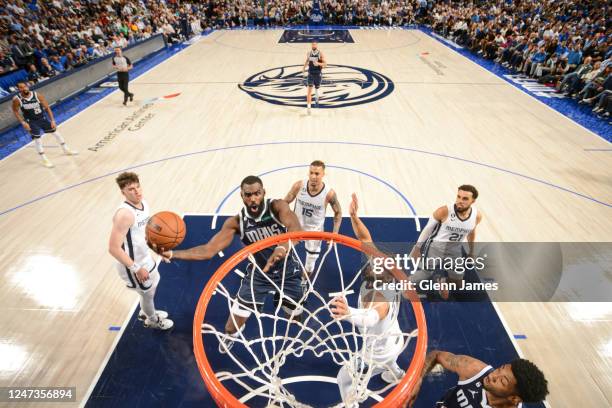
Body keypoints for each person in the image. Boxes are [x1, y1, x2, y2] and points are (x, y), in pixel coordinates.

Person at [152, 176, 303, 352]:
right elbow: (208, 250)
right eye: (248, 195)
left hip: (288, 271)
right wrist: (172, 253)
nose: (253, 198)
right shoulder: (236, 223)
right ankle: (232, 336)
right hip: (259, 275)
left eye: (257, 193)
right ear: (242, 196)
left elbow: (296, 230)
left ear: (264, 193)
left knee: (294, 317)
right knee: (230, 328)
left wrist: (281, 248)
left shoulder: (277, 207)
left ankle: (287, 302)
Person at [331, 193, 404, 406]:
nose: (372, 264)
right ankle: (396, 373)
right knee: (391, 360)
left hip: (377, 353)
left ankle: (351, 404)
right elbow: (365, 239)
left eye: (376, 265)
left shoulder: (379, 297)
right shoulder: (385, 276)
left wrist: (349, 313)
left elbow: (371, 317)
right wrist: (354, 217)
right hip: (395, 340)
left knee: (343, 379)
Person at [108, 172, 173, 330]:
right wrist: (136, 268)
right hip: (131, 264)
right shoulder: (124, 215)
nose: (137, 191)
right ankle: (152, 320)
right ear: (123, 192)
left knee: (153, 286)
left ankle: (147, 310)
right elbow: (113, 248)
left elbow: (144, 232)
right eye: (131, 189)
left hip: (145, 257)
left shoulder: (143, 203)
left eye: (138, 187)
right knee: (147, 293)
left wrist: (158, 250)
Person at [409, 185, 483, 299]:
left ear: (473, 201)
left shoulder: (476, 216)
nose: (460, 201)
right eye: (458, 197)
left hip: (454, 250)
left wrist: (471, 252)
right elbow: (427, 229)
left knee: (458, 283)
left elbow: (471, 232)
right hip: (435, 247)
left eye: (465, 199)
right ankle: (403, 286)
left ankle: (442, 281)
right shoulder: (444, 211)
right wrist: (417, 248)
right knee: (426, 273)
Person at [407, 350, 548, 407]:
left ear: (514, 398)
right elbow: (437, 355)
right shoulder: (475, 370)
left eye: (502, 381)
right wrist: (418, 379)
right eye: (499, 369)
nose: (493, 375)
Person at [284, 160, 342, 275]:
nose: (313, 176)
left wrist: (335, 234)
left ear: (323, 174)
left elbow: (338, 213)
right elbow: (285, 202)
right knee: (282, 253)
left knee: (310, 265)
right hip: (296, 227)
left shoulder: (329, 193)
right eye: (311, 172)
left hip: (315, 231)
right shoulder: (299, 186)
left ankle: (304, 282)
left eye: (317, 174)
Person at [11, 81, 77, 168]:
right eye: (21, 87)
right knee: (38, 140)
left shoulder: (37, 95)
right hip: (31, 122)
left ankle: (66, 150)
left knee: (56, 133)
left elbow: (47, 108)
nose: (24, 88)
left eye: (25, 86)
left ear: (27, 86)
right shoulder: (17, 100)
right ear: (18, 89)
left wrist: (52, 120)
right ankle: (44, 159)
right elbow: (15, 111)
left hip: (42, 119)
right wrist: (23, 122)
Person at [302, 41, 326, 115]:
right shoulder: (309, 53)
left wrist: (318, 63)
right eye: (313, 44)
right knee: (309, 91)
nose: (314, 45)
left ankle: (316, 99)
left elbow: (325, 64)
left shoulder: (320, 54)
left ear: (317, 45)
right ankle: (308, 107)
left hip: (318, 74)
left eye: (315, 44)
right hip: (311, 74)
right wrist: (303, 68)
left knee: (317, 88)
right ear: (311, 45)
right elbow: (307, 60)